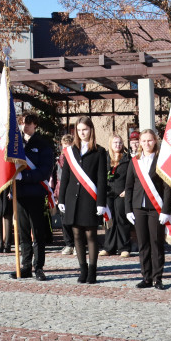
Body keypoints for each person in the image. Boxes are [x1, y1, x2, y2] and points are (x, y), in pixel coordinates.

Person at [58, 116, 110, 285]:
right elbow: (65, 177)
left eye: (85, 130)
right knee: (77, 235)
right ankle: (83, 269)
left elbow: (102, 179)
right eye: (79, 130)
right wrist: (61, 199)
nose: (82, 133)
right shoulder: (70, 151)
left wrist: (101, 202)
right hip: (72, 198)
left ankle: (92, 271)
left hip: (90, 199)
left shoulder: (99, 151)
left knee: (91, 236)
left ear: (91, 130)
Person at [124, 129, 171, 289]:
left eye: (149, 140)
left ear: (155, 141)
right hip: (138, 208)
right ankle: (146, 277)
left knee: (156, 243)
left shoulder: (161, 160)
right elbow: (129, 187)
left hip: (155, 208)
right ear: (139, 143)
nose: (146, 143)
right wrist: (128, 209)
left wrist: (166, 210)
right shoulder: (134, 161)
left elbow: (167, 188)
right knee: (143, 243)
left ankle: (157, 278)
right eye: (143, 141)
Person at [11, 113, 55, 281]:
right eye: (22, 123)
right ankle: (26, 266)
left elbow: (45, 171)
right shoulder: (16, 145)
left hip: (36, 193)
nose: (25, 126)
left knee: (37, 232)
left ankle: (39, 267)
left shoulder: (43, 144)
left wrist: (25, 176)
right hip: (20, 194)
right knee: (22, 232)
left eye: (28, 123)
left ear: (35, 124)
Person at [101, 134, 132, 258]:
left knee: (121, 219)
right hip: (108, 193)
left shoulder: (127, 158)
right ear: (110, 144)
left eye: (120, 143)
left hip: (121, 193)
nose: (118, 145)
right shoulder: (105, 158)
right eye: (115, 143)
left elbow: (131, 176)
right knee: (109, 220)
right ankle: (109, 247)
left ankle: (124, 247)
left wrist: (127, 190)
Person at [56, 134, 76, 256]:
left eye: (69, 146)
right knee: (64, 220)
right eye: (64, 146)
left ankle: (77, 244)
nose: (66, 149)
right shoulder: (60, 160)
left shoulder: (75, 158)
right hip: (61, 192)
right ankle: (69, 244)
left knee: (74, 220)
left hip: (72, 192)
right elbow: (57, 177)